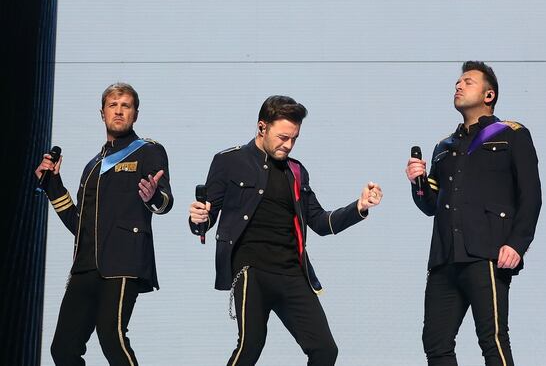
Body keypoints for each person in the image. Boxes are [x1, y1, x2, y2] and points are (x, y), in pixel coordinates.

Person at [188, 95, 383, 366]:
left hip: (293, 273)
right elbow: (205, 218)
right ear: (262, 127)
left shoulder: (296, 171)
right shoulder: (228, 161)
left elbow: (320, 222)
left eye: (294, 139)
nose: (288, 145)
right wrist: (198, 218)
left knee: (325, 350)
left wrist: (359, 207)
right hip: (251, 270)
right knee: (250, 346)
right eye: (283, 137)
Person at [405, 62, 542, 366]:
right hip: (444, 258)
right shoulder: (444, 146)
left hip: (486, 254)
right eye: (458, 82)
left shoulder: (512, 134)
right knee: (436, 344)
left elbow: (531, 196)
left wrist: (517, 244)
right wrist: (417, 183)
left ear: (488, 95)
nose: (459, 85)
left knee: (492, 341)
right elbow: (430, 206)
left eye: (468, 82)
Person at [35, 82, 173, 366]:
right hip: (84, 267)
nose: (119, 111)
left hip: (123, 262)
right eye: (113, 105)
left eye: (126, 106)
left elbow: (164, 202)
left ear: (135, 113)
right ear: (102, 113)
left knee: (112, 337)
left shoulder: (148, 151)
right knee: (63, 349)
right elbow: (80, 224)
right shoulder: (93, 165)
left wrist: (153, 197)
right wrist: (52, 185)